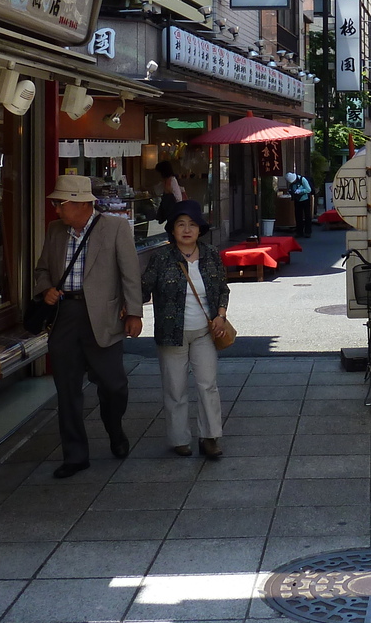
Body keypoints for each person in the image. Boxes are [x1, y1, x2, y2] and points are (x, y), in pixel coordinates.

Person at [30, 175, 143, 477]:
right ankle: (75, 454)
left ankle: (114, 428)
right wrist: (46, 289)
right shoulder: (56, 231)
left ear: (81, 203)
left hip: (103, 317)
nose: (56, 209)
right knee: (67, 389)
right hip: (65, 314)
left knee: (114, 385)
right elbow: (41, 269)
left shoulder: (116, 228)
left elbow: (130, 274)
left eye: (60, 203)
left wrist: (134, 313)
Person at [142, 200, 230, 459]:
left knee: (207, 385)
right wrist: (127, 307)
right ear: (172, 229)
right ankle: (179, 438)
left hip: (205, 331)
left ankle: (210, 436)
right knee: (175, 388)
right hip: (172, 333)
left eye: (192, 224)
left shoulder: (211, 253)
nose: (187, 229)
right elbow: (143, 288)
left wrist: (221, 316)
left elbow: (222, 289)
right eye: (181, 224)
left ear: (200, 229)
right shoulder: (160, 257)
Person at [154, 160, 183, 229]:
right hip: (171, 209)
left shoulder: (171, 180)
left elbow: (177, 197)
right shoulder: (167, 180)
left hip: (173, 210)